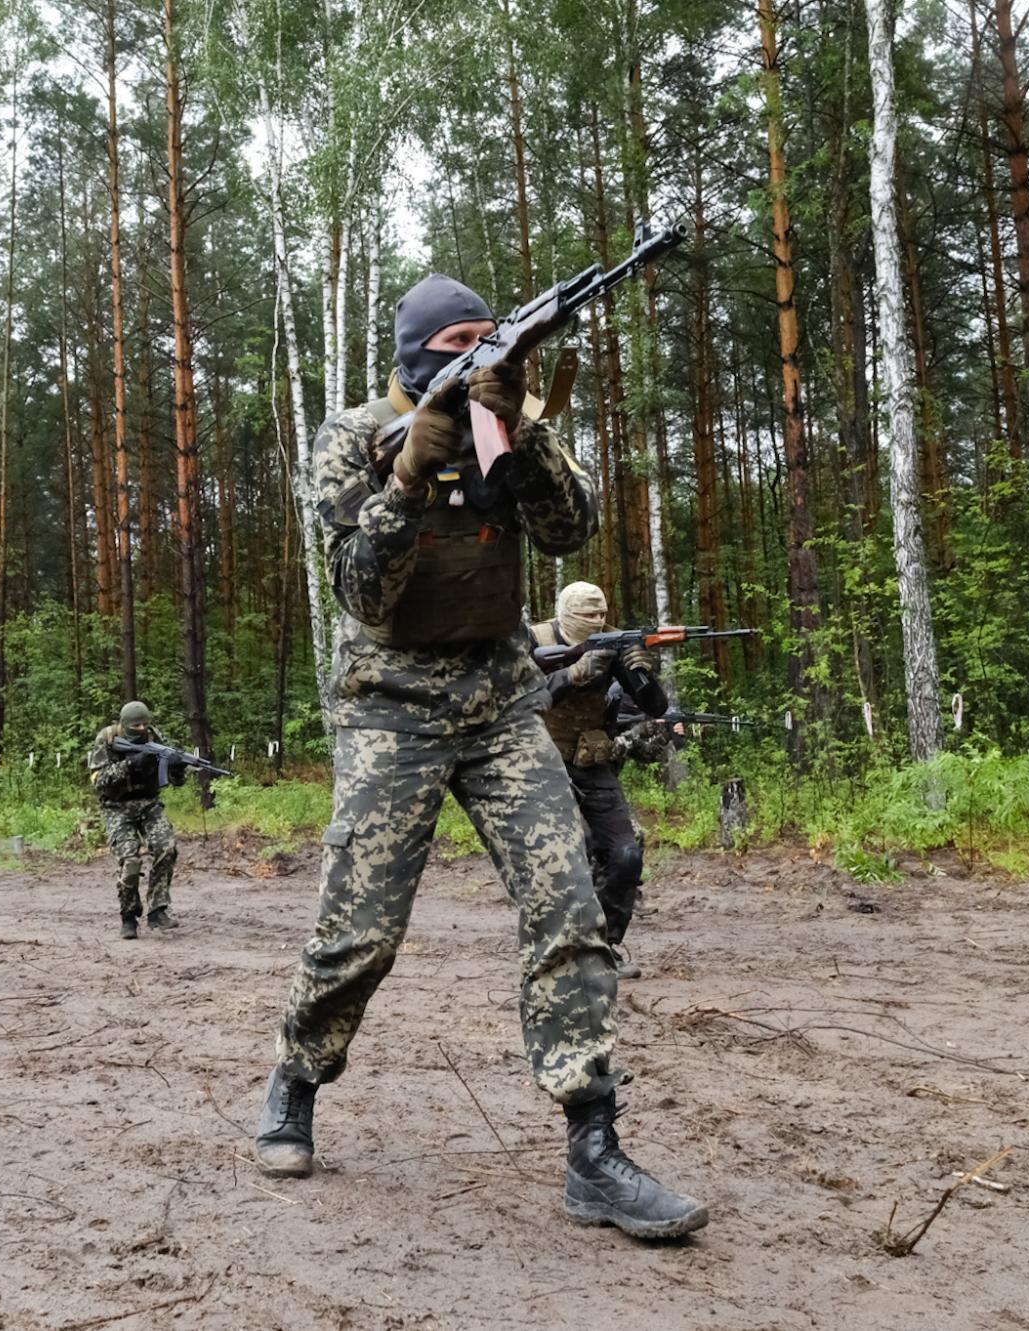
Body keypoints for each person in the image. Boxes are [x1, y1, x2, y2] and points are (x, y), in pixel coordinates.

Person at [251, 274, 708, 1239]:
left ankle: (594, 1146)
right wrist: (408, 480)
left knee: (571, 901)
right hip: (392, 709)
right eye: (455, 347)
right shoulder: (351, 438)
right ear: (415, 354)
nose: (472, 361)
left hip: (503, 701)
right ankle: (297, 1076)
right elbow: (362, 597)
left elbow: (572, 527)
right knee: (360, 929)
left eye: (484, 342)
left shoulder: (512, 418)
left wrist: (523, 428)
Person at [530, 582, 670, 980]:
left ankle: (604, 945)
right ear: (567, 613)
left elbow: (655, 707)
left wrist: (640, 670)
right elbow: (516, 697)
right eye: (587, 615)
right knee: (566, 860)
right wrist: (571, 674)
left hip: (592, 762)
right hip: (542, 763)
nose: (597, 621)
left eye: (601, 614)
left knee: (626, 854)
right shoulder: (535, 639)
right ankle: (558, 950)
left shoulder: (612, 643)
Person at [87, 701, 179, 939]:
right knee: (129, 860)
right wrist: (130, 764)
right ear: (125, 725)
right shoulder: (106, 740)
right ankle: (128, 916)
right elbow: (99, 781)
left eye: (145, 724)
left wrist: (177, 767)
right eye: (136, 725)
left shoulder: (156, 739)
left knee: (166, 848)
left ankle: (158, 910)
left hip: (149, 805)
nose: (141, 728)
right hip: (117, 807)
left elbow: (176, 780)